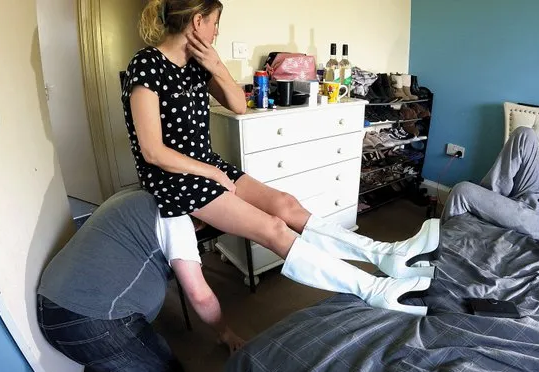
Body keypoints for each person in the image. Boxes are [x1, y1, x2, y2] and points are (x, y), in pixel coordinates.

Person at [120, 0, 441, 316]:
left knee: (286, 204)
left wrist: (217, 65)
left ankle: (386, 254)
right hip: (172, 179)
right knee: (274, 228)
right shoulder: (146, 64)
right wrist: (213, 174)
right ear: (197, 22)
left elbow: (239, 105)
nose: (217, 31)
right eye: (215, 23)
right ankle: (374, 290)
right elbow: (153, 151)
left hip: (206, 166)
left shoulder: (197, 65)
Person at [37, 190, 244, 372]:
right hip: (88, 320)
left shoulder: (133, 196)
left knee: (136, 366)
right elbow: (200, 295)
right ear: (202, 221)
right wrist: (225, 333)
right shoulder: (178, 222)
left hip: (50, 303)